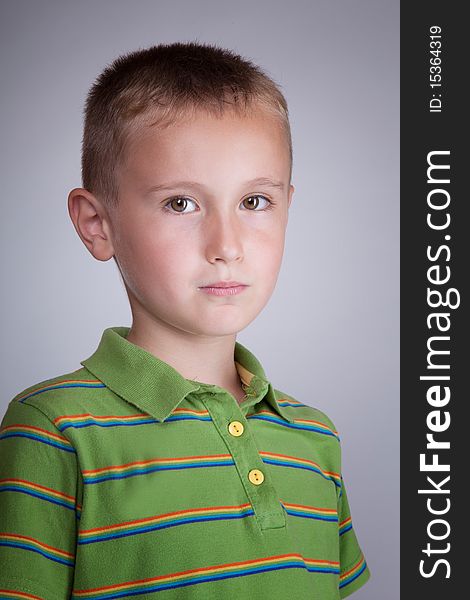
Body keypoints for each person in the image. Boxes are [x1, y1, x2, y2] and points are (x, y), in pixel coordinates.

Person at [0, 42, 370, 599]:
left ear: (289, 206)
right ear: (97, 224)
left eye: (255, 202)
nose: (227, 246)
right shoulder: (54, 431)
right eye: (181, 204)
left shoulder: (314, 436)